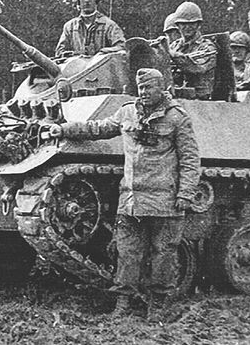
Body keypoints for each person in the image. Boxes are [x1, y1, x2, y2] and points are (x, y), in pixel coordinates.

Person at [47, 68, 199, 317]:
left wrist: (185, 193)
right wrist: (64, 130)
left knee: (163, 253)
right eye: (140, 88)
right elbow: (98, 128)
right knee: (127, 252)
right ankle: (123, 303)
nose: (144, 92)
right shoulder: (128, 111)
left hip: (164, 199)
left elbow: (190, 158)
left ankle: (158, 305)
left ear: (161, 89)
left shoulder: (176, 117)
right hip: (131, 198)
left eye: (149, 88)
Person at [55, 0, 126, 57]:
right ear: (78, 1)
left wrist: (102, 53)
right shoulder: (70, 27)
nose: (87, 1)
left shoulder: (109, 25)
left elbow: (121, 47)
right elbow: (59, 52)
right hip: (76, 67)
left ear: (96, 0)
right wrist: (71, 55)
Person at [168, 2, 217, 100]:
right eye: (183, 24)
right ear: (177, 25)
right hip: (176, 96)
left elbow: (197, 68)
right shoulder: (174, 46)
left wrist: (174, 56)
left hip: (201, 100)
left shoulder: (207, 48)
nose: (188, 27)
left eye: (192, 23)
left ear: (199, 24)